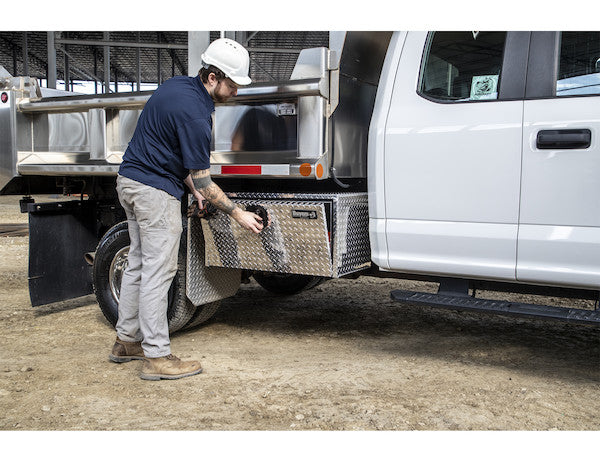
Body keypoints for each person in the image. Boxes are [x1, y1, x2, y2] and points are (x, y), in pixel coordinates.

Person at [109, 38, 263, 381]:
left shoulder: (177, 86)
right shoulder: (196, 113)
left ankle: (126, 340)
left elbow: (176, 157)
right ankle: (157, 357)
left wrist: (194, 192)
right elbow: (206, 181)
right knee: (158, 272)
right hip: (154, 193)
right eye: (233, 84)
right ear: (213, 77)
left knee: (137, 263)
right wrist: (237, 213)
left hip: (130, 181)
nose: (236, 92)